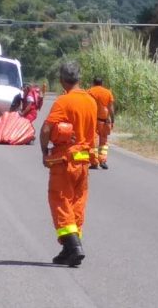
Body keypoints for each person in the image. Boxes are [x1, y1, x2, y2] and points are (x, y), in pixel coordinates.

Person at [39, 62, 97, 267]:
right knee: (77, 204)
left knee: (60, 201)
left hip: (65, 162)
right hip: (83, 163)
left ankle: (74, 247)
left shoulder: (63, 101)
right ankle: (67, 249)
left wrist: (44, 151)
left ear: (62, 80)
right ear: (79, 78)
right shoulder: (91, 101)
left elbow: (46, 129)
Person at [87, 77, 115, 170]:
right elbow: (110, 108)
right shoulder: (108, 93)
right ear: (102, 83)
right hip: (105, 120)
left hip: (94, 120)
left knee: (93, 141)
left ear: (93, 83)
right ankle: (102, 160)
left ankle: (94, 162)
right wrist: (113, 120)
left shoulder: (90, 92)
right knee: (104, 141)